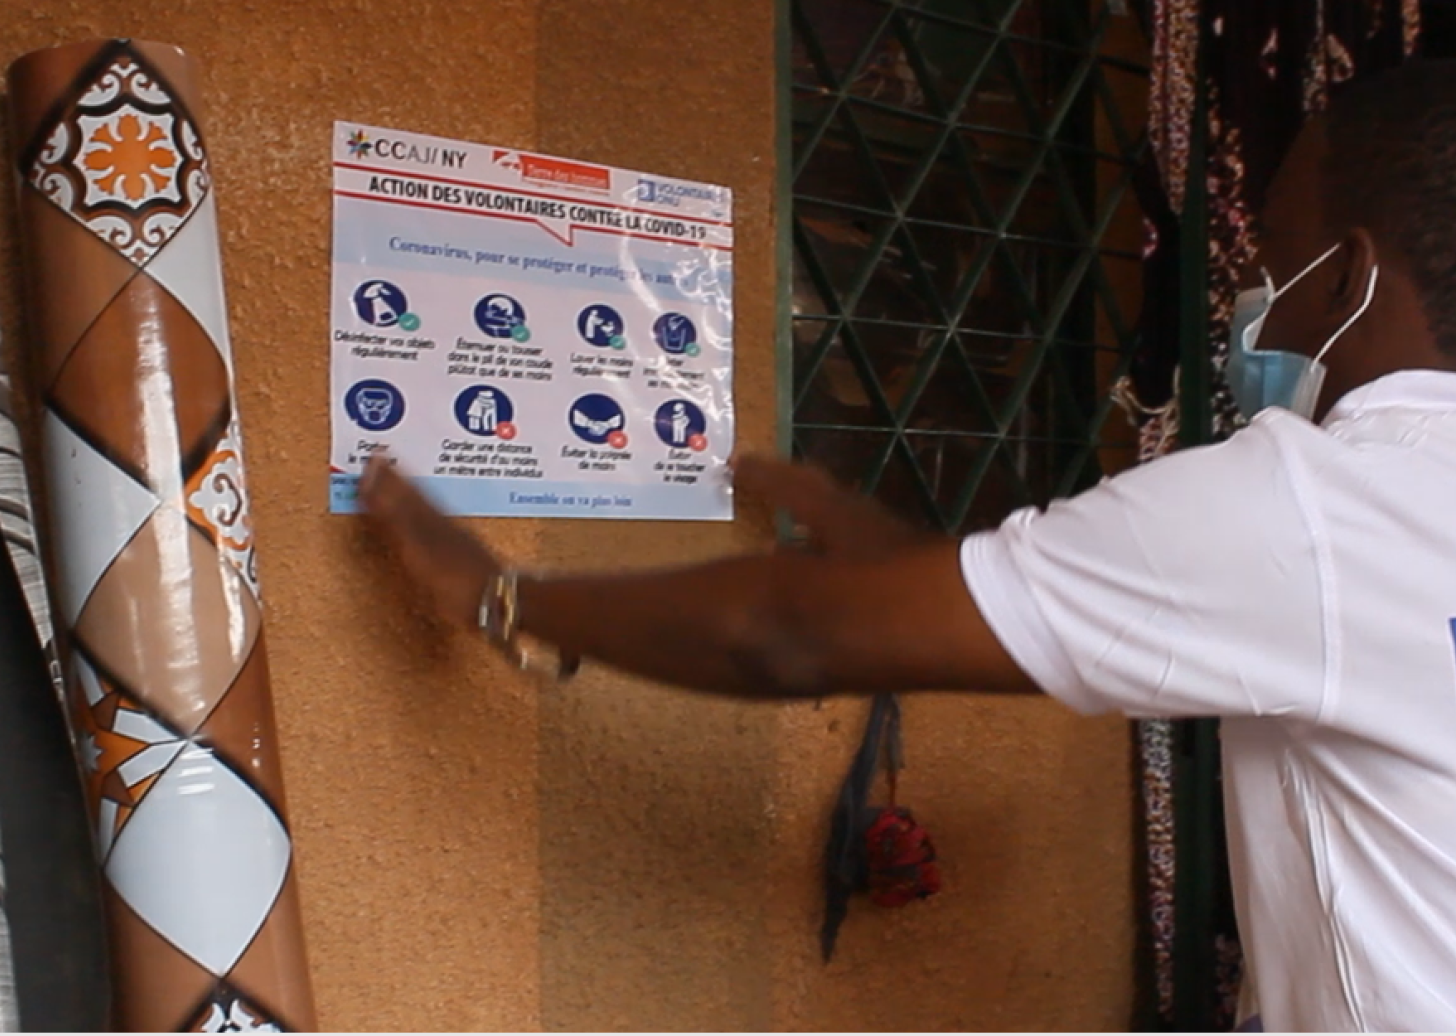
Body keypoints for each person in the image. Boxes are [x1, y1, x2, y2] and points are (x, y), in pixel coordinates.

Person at [361, 60, 1456, 1032]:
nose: (1251, 303)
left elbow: (785, 633)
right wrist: (865, 536)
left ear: (1349, 278)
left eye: (1270, 263)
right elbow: (1029, 607)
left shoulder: (1309, 504)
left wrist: (500, 592)